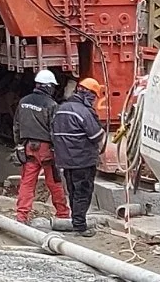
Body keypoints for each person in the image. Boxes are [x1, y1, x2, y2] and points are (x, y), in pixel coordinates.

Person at [51, 77, 108, 237]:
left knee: (73, 192)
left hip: (65, 161)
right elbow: (96, 136)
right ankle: (80, 226)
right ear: (89, 94)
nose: (95, 100)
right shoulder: (83, 112)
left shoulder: (61, 109)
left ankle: (77, 221)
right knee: (83, 192)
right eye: (94, 96)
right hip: (83, 161)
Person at [13, 70, 70, 224]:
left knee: (27, 182)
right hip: (46, 149)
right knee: (54, 182)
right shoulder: (51, 105)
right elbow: (55, 130)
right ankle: (63, 214)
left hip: (28, 148)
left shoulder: (23, 101)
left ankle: (21, 215)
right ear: (48, 86)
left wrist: (18, 144)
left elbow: (17, 125)